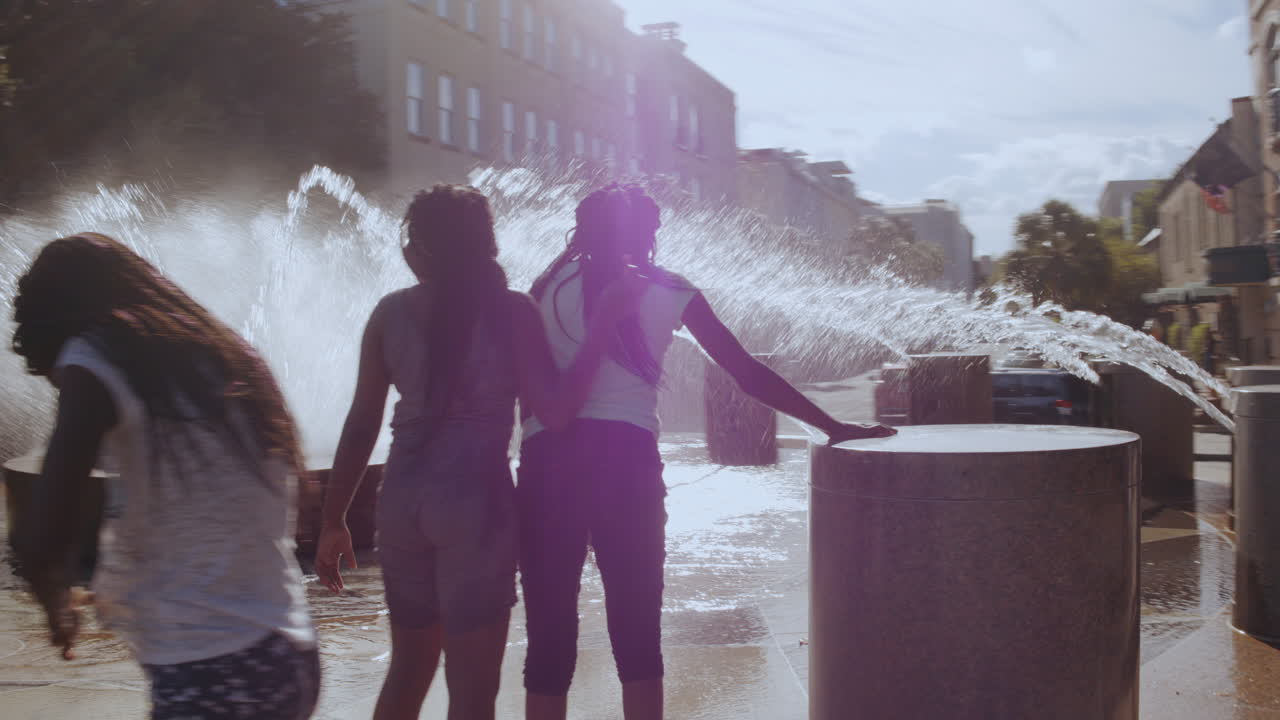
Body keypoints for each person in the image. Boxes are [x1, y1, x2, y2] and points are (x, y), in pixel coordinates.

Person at [518, 183, 896, 720]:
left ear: (581, 230)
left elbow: (523, 395)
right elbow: (746, 373)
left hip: (548, 465)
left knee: (549, 639)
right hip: (626, 466)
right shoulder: (669, 289)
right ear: (648, 235)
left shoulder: (544, 287)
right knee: (638, 636)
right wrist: (830, 425)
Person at [314, 185, 642, 720]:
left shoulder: (390, 314)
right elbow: (556, 412)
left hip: (402, 505)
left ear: (420, 247)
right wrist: (602, 325)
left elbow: (361, 423)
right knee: (471, 693)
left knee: (406, 674)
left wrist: (334, 519)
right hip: (477, 508)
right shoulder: (512, 312)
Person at [10, 233, 319, 719]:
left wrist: (55, 603)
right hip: (286, 651)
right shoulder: (218, 350)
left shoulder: (91, 357)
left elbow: (38, 536)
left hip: (213, 673)